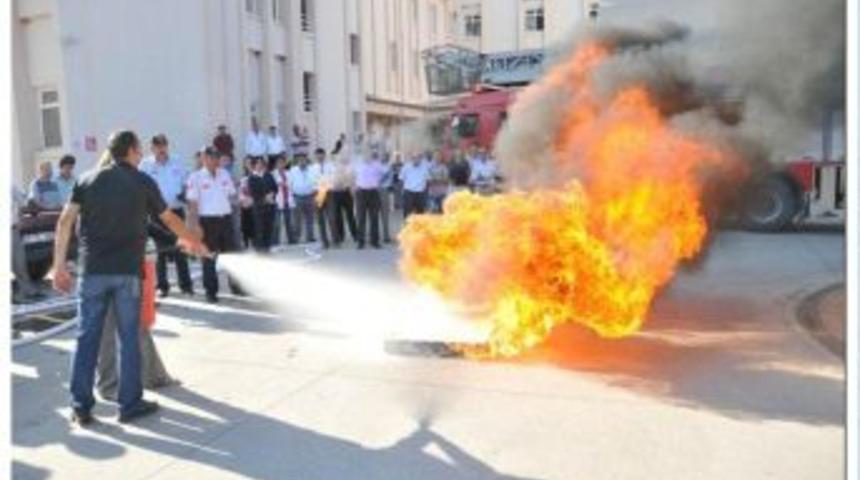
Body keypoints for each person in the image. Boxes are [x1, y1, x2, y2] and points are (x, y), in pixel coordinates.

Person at [52, 130, 207, 426]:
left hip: (92, 272)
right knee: (129, 337)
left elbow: (65, 221)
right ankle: (129, 404)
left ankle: (81, 406)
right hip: (127, 274)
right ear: (132, 151)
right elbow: (169, 219)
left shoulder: (86, 179)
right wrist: (192, 240)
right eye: (139, 149)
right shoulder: (142, 181)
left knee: (86, 338)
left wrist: (58, 266)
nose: (141, 154)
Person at [139, 134, 194, 297]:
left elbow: (187, 183)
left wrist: (185, 194)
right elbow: (140, 187)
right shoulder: (145, 165)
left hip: (176, 211)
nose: (161, 149)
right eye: (158, 146)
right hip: (157, 213)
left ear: (167, 146)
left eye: (163, 145)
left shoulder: (177, 161)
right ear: (152, 148)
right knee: (161, 250)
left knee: (181, 248)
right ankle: (162, 286)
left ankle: (186, 285)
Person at [186, 146, 239, 304]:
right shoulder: (195, 177)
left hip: (225, 219)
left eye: (216, 157)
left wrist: (241, 201)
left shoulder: (224, 174)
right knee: (209, 258)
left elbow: (232, 195)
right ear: (203, 159)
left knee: (231, 255)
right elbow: (193, 204)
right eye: (211, 157)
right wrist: (193, 226)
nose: (215, 160)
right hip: (207, 222)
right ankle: (211, 291)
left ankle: (236, 287)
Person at [12, 186, 43, 302]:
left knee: (19, 262)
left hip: (12, 230)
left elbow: (23, 201)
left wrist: (19, 218)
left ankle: (27, 291)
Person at [354, 147, 387, 249]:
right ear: (363, 155)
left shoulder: (377, 164)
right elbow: (351, 176)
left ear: (372, 155)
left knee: (374, 217)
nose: (368, 156)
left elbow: (386, 172)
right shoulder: (357, 164)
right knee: (361, 218)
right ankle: (361, 242)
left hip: (373, 193)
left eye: (369, 154)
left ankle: (374, 241)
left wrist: (379, 182)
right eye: (366, 154)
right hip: (361, 193)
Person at [328, 152, 359, 247]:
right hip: (335, 193)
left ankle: (355, 234)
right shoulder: (329, 168)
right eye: (333, 157)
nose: (335, 159)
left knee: (350, 215)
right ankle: (341, 235)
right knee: (338, 216)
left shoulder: (346, 166)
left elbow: (352, 178)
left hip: (346, 192)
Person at [247, 158, 278, 252]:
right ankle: (260, 248)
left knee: (269, 227)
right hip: (259, 206)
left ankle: (267, 246)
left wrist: (272, 194)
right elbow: (253, 192)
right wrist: (264, 198)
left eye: (261, 163)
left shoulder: (268, 175)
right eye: (258, 163)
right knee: (259, 228)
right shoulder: (252, 177)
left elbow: (275, 187)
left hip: (270, 205)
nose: (260, 165)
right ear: (254, 165)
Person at [288, 154, 319, 244]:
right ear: (297, 161)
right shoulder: (293, 170)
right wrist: (292, 196)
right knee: (297, 219)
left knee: (310, 218)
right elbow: (290, 184)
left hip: (310, 196)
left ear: (306, 161)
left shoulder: (312, 170)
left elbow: (316, 181)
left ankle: (310, 236)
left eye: (304, 160)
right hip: (297, 197)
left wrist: (315, 192)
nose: (302, 162)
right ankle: (296, 237)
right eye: (300, 160)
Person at [311, 147, 335, 249]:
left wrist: (324, 182)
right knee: (320, 219)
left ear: (324, 155)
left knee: (331, 218)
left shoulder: (330, 166)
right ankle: (324, 241)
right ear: (315, 156)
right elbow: (312, 180)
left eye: (321, 154)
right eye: (318, 155)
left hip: (328, 192)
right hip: (318, 193)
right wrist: (322, 183)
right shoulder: (312, 168)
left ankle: (335, 239)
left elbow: (332, 178)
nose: (320, 157)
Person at [272, 156, 297, 245]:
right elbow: (274, 185)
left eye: (282, 163)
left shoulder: (289, 173)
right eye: (279, 163)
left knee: (289, 221)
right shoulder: (273, 174)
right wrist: (282, 183)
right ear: (276, 164)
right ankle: (275, 241)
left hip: (288, 199)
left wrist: (283, 183)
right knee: (277, 222)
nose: (281, 165)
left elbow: (291, 184)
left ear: (285, 163)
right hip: (277, 200)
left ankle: (292, 240)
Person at [400, 151, 431, 218]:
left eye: (417, 158)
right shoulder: (406, 167)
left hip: (420, 193)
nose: (415, 160)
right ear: (411, 159)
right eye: (414, 158)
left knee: (420, 214)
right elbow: (402, 179)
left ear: (420, 159)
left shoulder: (424, 167)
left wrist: (425, 191)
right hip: (409, 192)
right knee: (407, 213)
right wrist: (403, 191)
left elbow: (427, 180)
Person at [238, 157, 255, 249]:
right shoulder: (243, 177)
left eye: (250, 163)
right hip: (244, 204)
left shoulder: (257, 175)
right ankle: (246, 243)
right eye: (246, 163)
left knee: (254, 225)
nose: (248, 165)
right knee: (245, 225)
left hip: (254, 204)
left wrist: (252, 200)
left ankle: (255, 243)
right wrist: (242, 201)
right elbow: (241, 191)